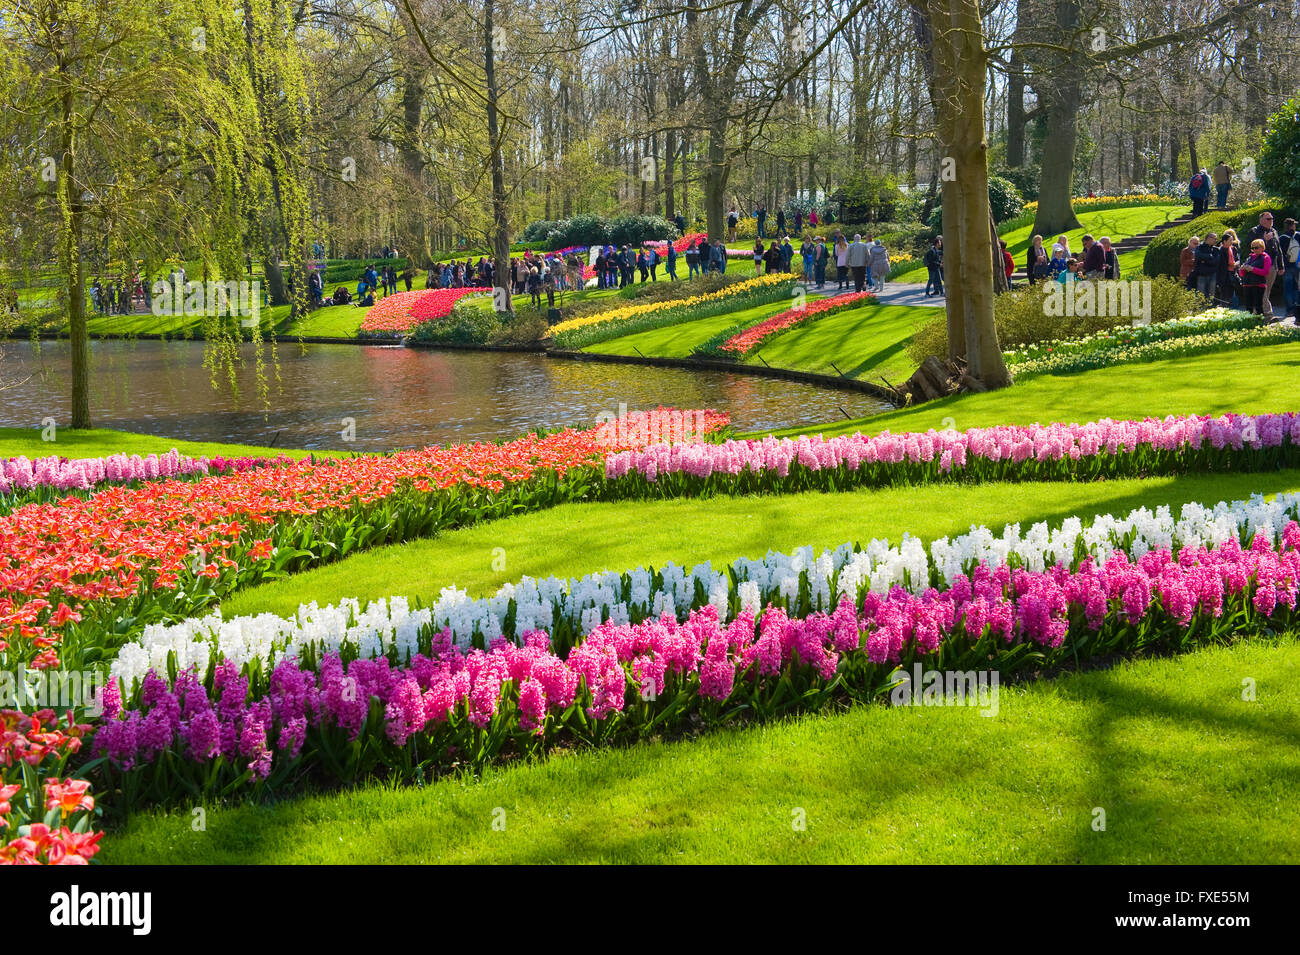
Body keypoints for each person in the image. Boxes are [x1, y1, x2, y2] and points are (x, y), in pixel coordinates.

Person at [1246, 211, 1283, 320]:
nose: (1271, 221)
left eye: (1272, 219)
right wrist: (1264, 240)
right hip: (1259, 265)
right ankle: (1267, 315)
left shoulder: (1274, 231)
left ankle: (1255, 313)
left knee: (1266, 291)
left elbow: (1278, 249)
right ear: (1261, 220)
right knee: (1262, 290)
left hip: (1272, 265)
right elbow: (1250, 247)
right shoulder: (1254, 231)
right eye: (1268, 219)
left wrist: (1281, 266)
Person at [1238, 238, 1272, 315]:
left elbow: (1265, 272)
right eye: (1252, 248)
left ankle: (1261, 323)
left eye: (1256, 248)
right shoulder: (1250, 258)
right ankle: (1249, 324)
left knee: (1258, 306)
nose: (1254, 250)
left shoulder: (1266, 257)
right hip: (1247, 284)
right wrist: (1242, 269)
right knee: (1248, 307)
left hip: (1258, 284)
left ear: (1262, 248)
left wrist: (1253, 269)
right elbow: (1242, 274)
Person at [1280, 218, 1300, 319]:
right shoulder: (1298, 235)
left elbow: (1281, 254)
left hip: (1287, 266)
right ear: (1292, 225)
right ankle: (1297, 308)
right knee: (1296, 288)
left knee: (1288, 288)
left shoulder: (1282, 238)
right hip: (1297, 265)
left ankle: (1289, 310)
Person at [1192, 233, 1220, 301]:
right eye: (1215, 239)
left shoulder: (1216, 249)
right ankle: (1201, 310)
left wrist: (1205, 260)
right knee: (1201, 295)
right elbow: (1198, 256)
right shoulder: (1199, 247)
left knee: (1211, 295)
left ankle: (1210, 310)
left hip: (1212, 274)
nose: (1216, 240)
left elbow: (1216, 261)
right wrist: (1210, 257)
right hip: (1201, 274)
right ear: (1209, 238)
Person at [1216, 231, 1240, 307]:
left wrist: (1236, 263)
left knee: (1231, 292)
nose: (1231, 242)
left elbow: (1238, 259)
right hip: (1224, 275)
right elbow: (1220, 264)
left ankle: (1233, 308)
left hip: (1232, 273)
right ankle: (1224, 307)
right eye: (1230, 240)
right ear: (1224, 241)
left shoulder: (1233, 249)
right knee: (1224, 294)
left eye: (1232, 240)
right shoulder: (1220, 250)